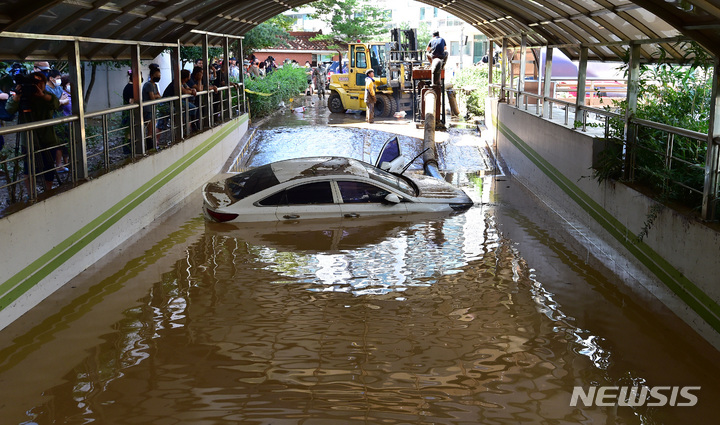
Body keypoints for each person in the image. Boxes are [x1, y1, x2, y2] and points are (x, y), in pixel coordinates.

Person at [5, 71, 61, 192]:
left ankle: (48, 190)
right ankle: (31, 193)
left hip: (47, 138)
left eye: (40, 83)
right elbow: (9, 109)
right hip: (28, 141)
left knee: (49, 167)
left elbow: (56, 104)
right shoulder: (22, 97)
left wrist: (42, 96)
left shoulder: (47, 96)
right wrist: (17, 96)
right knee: (28, 168)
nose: (37, 86)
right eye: (35, 83)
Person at [141, 63, 162, 150]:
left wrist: (156, 96)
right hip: (148, 109)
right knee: (150, 129)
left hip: (152, 109)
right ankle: (149, 146)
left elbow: (157, 95)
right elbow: (153, 97)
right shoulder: (148, 85)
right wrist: (156, 96)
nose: (158, 77)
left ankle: (151, 145)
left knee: (152, 128)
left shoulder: (155, 85)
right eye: (157, 75)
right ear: (152, 75)